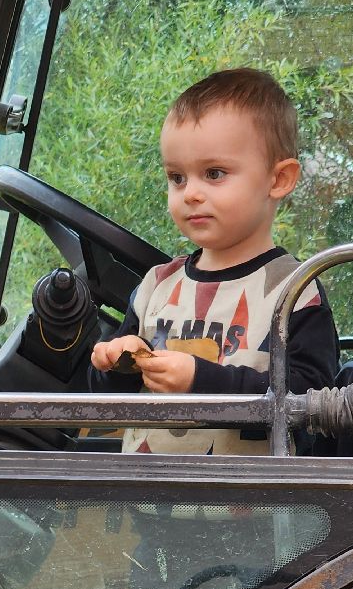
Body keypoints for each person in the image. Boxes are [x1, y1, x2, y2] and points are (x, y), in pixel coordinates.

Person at [89, 67, 339, 455]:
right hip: (146, 502)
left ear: (279, 180)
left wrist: (201, 381)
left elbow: (312, 407)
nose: (190, 193)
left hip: (250, 508)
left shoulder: (293, 291)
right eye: (177, 177)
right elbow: (108, 397)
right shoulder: (158, 285)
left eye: (214, 173)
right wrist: (116, 359)